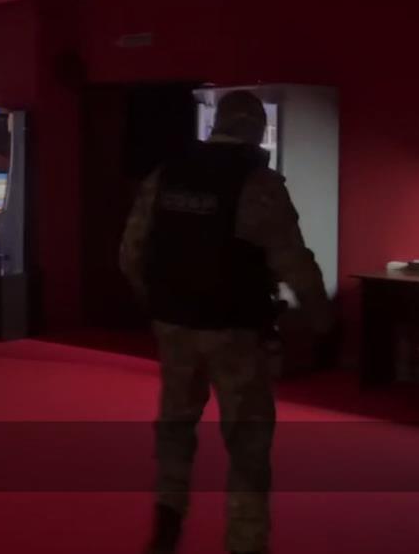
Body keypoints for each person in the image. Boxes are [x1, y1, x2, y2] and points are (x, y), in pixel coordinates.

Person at [120, 90, 332, 554]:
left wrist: (157, 304)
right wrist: (321, 319)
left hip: (175, 326)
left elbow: (131, 252)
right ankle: (244, 541)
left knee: (175, 425)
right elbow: (294, 262)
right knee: (247, 441)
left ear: (217, 123)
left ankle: (167, 520)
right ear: (257, 130)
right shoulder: (258, 183)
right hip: (235, 330)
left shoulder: (167, 174)